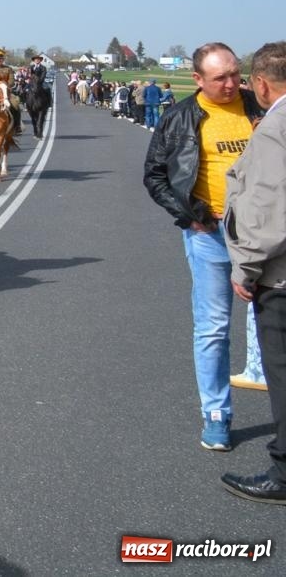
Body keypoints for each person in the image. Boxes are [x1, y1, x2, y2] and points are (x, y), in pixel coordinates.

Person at [144, 42, 266, 451]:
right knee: (213, 328)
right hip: (210, 235)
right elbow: (155, 175)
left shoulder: (261, 108)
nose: (231, 83)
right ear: (198, 80)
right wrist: (189, 213)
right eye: (220, 78)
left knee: (275, 325)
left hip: (266, 237)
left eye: (235, 74)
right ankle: (216, 414)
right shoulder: (179, 117)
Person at [223, 41, 286, 504]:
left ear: (260, 84)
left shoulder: (275, 127)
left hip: (281, 277)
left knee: (282, 374)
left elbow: (266, 211)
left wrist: (245, 268)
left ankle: (284, 473)